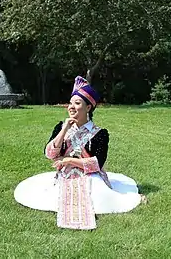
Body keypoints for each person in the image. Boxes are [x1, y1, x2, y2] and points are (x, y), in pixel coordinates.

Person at [14, 76, 143, 230]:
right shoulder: (61, 127)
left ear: (88, 108)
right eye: (70, 103)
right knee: (54, 196)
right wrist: (64, 130)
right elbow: (49, 154)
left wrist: (68, 160)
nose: (72, 107)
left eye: (77, 103)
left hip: (90, 175)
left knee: (97, 194)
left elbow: (97, 163)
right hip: (65, 175)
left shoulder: (100, 134)